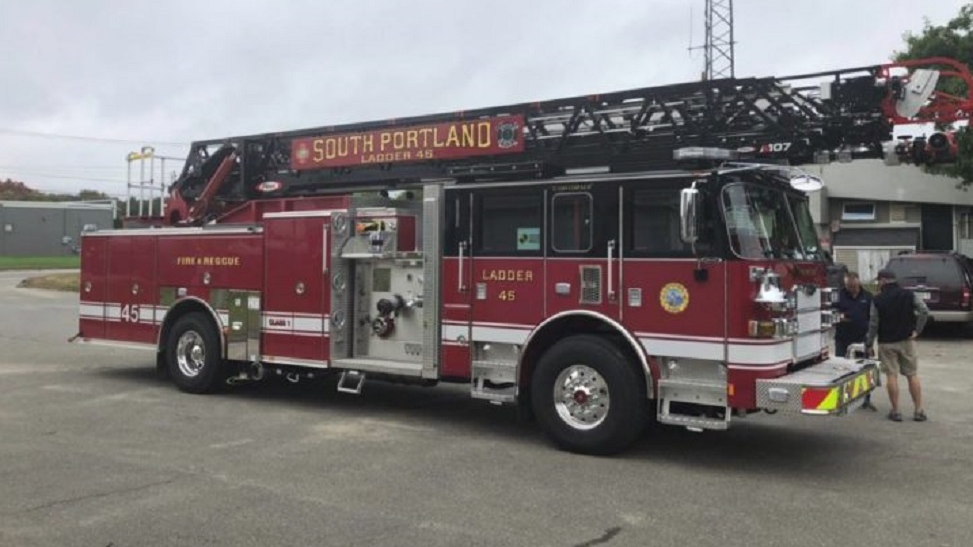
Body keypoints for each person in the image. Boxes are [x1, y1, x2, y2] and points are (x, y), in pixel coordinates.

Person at [865, 269, 929, 422]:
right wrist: (917, 331)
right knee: (912, 375)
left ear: (883, 281)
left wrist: (869, 343)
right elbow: (924, 311)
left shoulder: (878, 299)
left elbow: (874, 323)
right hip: (907, 341)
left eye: (878, 281)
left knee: (891, 375)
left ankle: (895, 411)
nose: (878, 284)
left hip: (886, 342)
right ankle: (918, 410)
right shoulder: (909, 294)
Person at [833, 271, 876, 410]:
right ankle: (841, 399)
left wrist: (870, 341)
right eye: (849, 287)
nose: (852, 289)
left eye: (854, 287)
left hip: (861, 339)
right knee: (841, 369)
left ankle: (866, 399)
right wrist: (839, 317)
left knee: (863, 369)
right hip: (842, 338)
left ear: (859, 283)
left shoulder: (868, 296)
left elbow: (873, 319)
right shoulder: (838, 296)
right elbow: (831, 313)